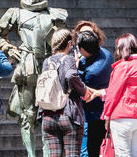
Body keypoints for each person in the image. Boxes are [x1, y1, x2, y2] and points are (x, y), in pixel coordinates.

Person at [0, 0, 68, 157]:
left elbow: (65, 40)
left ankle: (46, 153)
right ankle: (30, 154)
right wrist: (9, 48)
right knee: (27, 115)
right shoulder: (16, 13)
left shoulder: (55, 15)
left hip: (48, 66)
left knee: (49, 112)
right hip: (27, 64)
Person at [38, 29, 101, 157]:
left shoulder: (47, 61)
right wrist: (84, 91)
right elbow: (70, 75)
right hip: (67, 114)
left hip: (48, 115)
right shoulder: (68, 59)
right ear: (68, 44)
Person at [93, 33, 137, 157]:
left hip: (122, 117)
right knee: (136, 153)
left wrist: (107, 115)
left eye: (118, 48)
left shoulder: (123, 66)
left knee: (123, 154)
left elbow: (113, 93)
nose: (117, 51)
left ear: (124, 48)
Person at [75, 30, 113, 157]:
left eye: (79, 48)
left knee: (91, 149)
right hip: (103, 110)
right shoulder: (106, 54)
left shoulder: (92, 73)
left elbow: (79, 86)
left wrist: (75, 67)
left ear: (84, 49)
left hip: (92, 114)